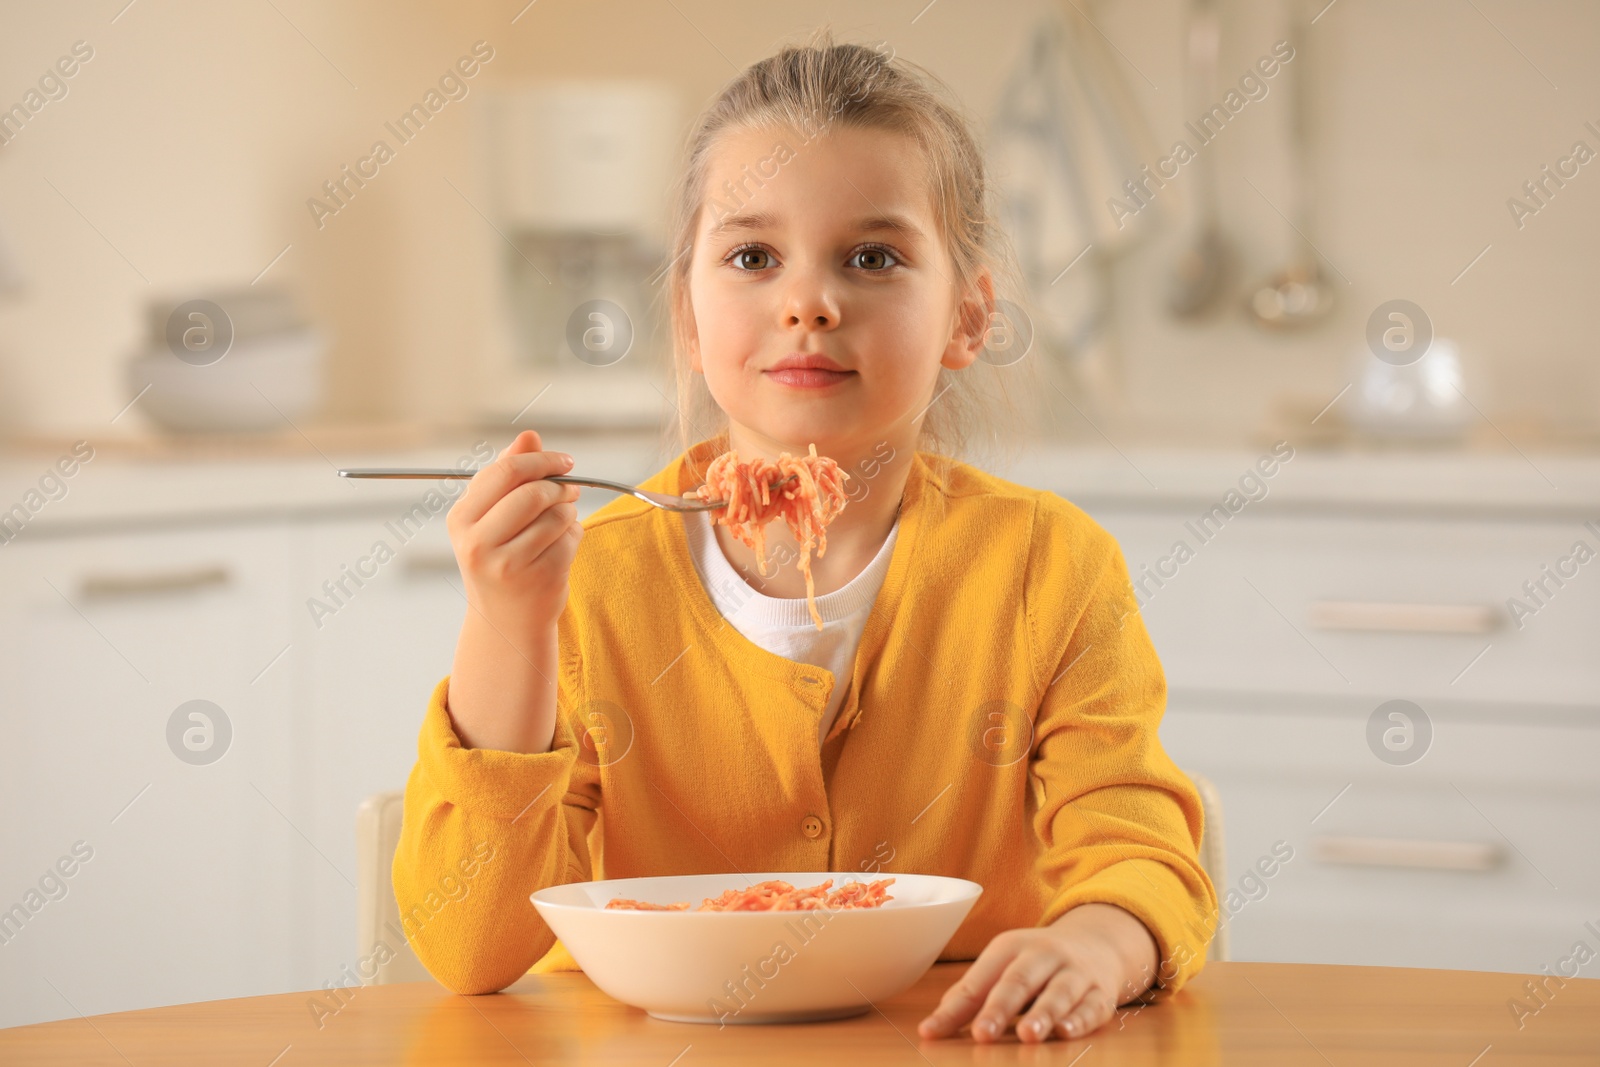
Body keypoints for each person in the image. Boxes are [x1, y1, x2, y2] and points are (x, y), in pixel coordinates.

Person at [393, 32, 1217, 1044]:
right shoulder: (595, 577)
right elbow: (468, 945)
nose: (807, 302)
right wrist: (509, 625)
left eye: (872, 257)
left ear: (968, 315)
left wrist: (1100, 939)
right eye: (751, 256)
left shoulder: (1049, 566)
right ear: (690, 321)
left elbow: (1137, 848)